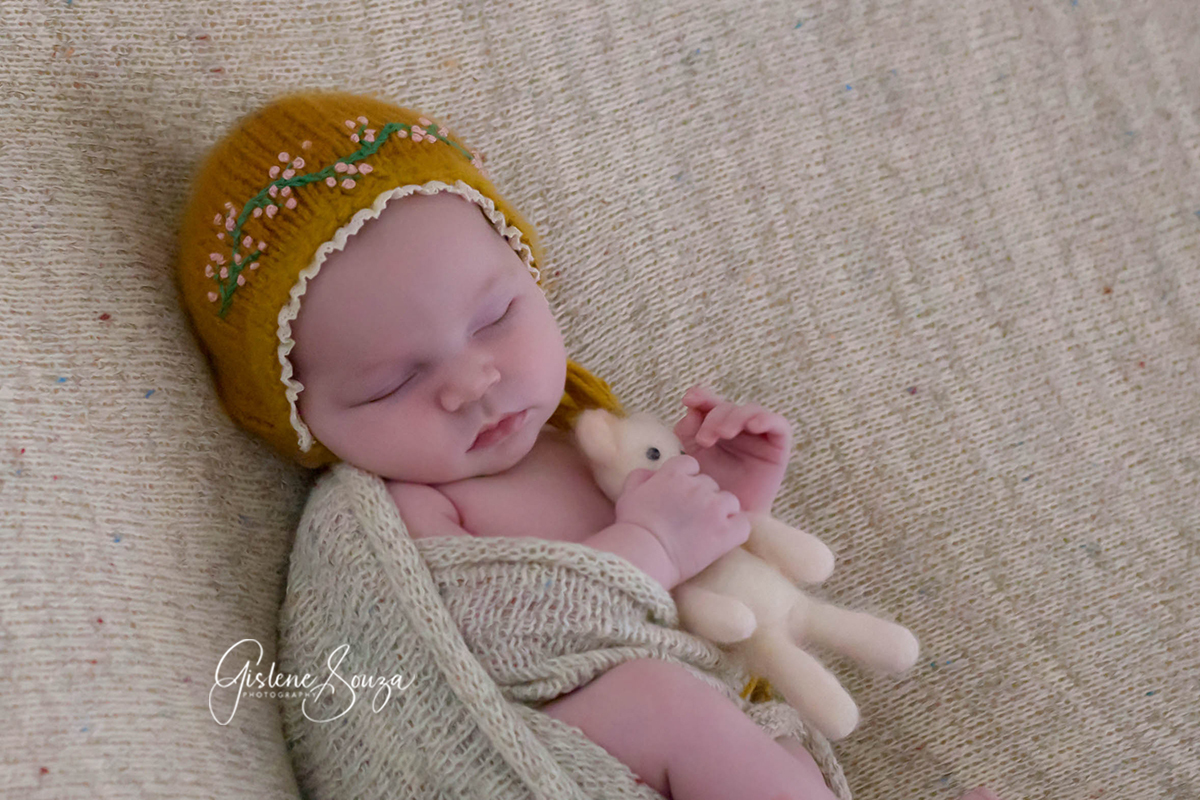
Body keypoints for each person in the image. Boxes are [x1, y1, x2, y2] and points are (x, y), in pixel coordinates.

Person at [176, 90, 1000, 800]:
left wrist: (720, 496)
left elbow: (704, 610)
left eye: (496, 318)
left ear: (530, 272)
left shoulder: (590, 437)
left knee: (751, 736)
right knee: (662, 704)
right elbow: (500, 634)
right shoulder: (396, 513)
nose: (472, 383)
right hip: (533, 757)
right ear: (302, 421)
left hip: (671, 756)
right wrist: (648, 541)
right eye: (391, 383)